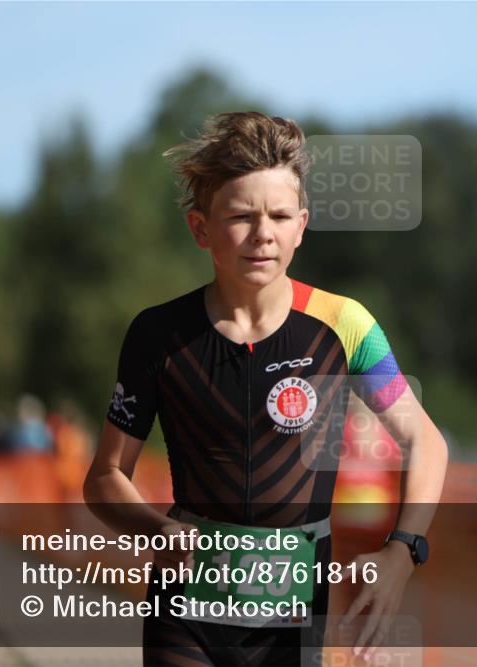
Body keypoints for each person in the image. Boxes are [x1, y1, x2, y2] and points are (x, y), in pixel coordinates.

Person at [83, 112, 448, 666]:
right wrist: (157, 532)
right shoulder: (157, 335)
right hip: (184, 614)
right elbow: (106, 477)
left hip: (293, 625)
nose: (263, 234)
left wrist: (402, 553)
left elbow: (426, 443)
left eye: (279, 215)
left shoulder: (345, 324)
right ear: (200, 229)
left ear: (301, 226)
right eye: (240, 216)